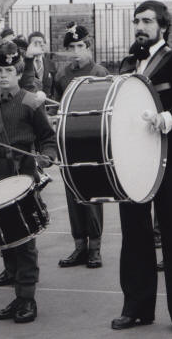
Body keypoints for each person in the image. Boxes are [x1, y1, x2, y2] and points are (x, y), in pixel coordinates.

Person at [112, 0, 172, 333]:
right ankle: (136, 307)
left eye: (147, 21)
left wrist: (168, 117)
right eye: (137, 20)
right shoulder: (128, 62)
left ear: (162, 26)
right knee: (134, 235)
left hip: (169, 160)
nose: (141, 26)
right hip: (131, 161)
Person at [0, 41, 57, 323]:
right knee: (6, 237)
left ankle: (27, 298)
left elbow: (47, 137)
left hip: (23, 177)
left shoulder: (30, 102)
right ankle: (17, 296)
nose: (3, 75)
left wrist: (47, 156)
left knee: (24, 239)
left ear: (18, 73)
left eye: (8, 70)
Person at [54, 22, 109, 269]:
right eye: (71, 47)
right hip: (69, 142)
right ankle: (79, 246)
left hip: (92, 140)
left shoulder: (99, 72)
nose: (76, 51)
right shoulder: (62, 75)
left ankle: (95, 248)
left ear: (88, 47)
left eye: (80, 46)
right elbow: (55, 106)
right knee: (73, 194)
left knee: (92, 192)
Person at [25, 31, 56, 96]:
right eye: (35, 43)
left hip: (47, 103)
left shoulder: (50, 63)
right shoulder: (25, 63)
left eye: (41, 43)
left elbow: (53, 87)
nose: (39, 45)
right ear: (29, 46)